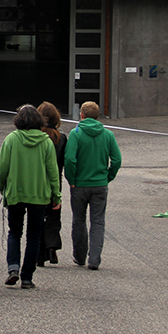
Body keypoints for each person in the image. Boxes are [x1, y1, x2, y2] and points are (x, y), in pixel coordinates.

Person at [0, 105, 60, 289]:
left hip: (15, 193)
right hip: (39, 195)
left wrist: (2, 186)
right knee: (34, 236)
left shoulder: (11, 139)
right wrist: (56, 194)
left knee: (14, 232)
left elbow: (2, 167)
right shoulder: (46, 142)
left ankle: (13, 268)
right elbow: (52, 172)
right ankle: (27, 276)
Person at [65, 101, 122, 271]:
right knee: (98, 221)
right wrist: (108, 176)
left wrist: (71, 179)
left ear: (81, 115)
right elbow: (117, 160)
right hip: (100, 184)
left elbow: (69, 159)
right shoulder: (108, 134)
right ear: (98, 116)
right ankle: (95, 259)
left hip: (80, 184)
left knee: (79, 220)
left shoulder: (76, 134)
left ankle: (79, 256)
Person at [38, 101, 68, 267]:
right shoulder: (61, 138)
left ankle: (39, 253)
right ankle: (52, 247)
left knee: (38, 217)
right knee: (54, 215)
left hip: (38, 182)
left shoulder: (36, 136)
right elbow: (65, 160)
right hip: (55, 180)